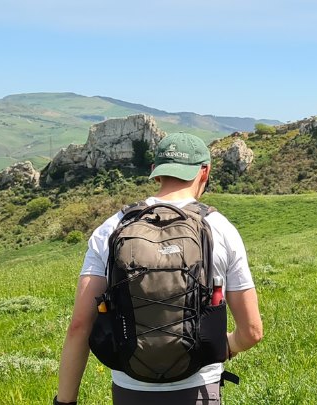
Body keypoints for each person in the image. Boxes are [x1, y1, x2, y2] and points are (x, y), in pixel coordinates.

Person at [55, 133, 264, 405]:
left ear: (156, 172)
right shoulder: (221, 229)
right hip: (198, 387)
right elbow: (252, 331)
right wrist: (220, 348)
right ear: (205, 172)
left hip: (130, 386)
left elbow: (80, 326)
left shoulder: (111, 228)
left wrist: (65, 402)